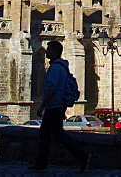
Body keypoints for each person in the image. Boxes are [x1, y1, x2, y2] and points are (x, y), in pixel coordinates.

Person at [29, 41, 90, 173]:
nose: (46, 52)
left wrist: (42, 106)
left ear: (55, 51)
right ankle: (41, 163)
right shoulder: (62, 66)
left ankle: (82, 157)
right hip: (56, 105)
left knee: (58, 135)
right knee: (44, 135)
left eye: (49, 49)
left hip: (54, 106)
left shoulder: (55, 68)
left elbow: (51, 88)